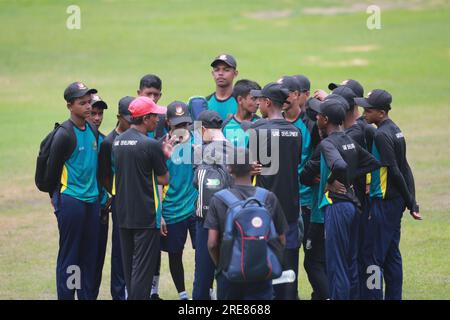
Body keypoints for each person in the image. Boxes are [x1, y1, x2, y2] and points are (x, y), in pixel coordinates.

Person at [302, 99, 380, 300]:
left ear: (325, 120)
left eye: (319, 115)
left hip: (337, 206)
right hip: (353, 206)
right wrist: (350, 178)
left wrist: (331, 181)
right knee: (350, 262)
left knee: (336, 266)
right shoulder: (348, 140)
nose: (316, 117)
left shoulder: (328, 143)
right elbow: (372, 162)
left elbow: (340, 166)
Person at [356, 89, 422, 300]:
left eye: (369, 109)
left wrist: (410, 201)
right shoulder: (395, 130)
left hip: (383, 203)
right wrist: (410, 201)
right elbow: (406, 168)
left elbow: (395, 170)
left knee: (372, 257)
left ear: (381, 113)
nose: (364, 112)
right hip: (394, 203)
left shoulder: (381, 135)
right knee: (392, 255)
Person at [205, 148, 288, 300]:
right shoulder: (268, 198)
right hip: (262, 272)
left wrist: (222, 266)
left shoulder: (218, 199)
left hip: (229, 273)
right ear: (252, 167)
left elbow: (212, 243)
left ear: (229, 168)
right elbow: (282, 239)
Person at [113, 96, 172, 300]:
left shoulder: (117, 142)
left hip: (123, 214)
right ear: (146, 118)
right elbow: (164, 178)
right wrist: (165, 156)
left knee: (130, 267)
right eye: (155, 116)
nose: (158, 120)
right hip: (146, 216)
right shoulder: (151, 145)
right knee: (143, 271)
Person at [47, 82, 100, 300]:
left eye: (89, 102)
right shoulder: (64, 134)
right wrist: (56, 198)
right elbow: (51, 173)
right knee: (71, 255)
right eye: (82, 103)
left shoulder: (93, 130)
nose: (88, 107)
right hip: (72, 201)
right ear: (70, 106)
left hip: (92, 200)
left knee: (89, 256)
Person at [249, 82, 302, 300]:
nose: (258, 103)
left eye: (260, 100)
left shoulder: (258, 131)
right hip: (289, 208)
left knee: (263, 263)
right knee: (288, 266)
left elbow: (252, 167)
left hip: (264, 209)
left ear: (268, 102)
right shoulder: (296, 132)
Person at [192, 110, 234, 300]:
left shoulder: (203, 152)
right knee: (228, 271)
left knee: (203, 274)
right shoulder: (236, 150)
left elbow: (197, 183)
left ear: (203, 129)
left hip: (206, 221)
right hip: (233, 220)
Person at [159, 101, 198, 300]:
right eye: (177, 125)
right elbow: (156, 183)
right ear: (168, 123)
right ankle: (183, 295)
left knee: (204, 251)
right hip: (172, 210)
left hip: (196, 208)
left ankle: (205, 291)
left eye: (184, 124)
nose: (181, 129)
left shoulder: (198, 142)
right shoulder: (161, 147)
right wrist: (160, 215)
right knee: (175, 254)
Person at [97, 96, 133, 300]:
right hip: (119, 200)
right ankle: (119, 294)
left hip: (134, 199)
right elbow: (103, 174)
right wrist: (112, 193)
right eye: (129, 118)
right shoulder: (109, 142)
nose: (133, 121)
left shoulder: (136, 137)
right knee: (119, 249)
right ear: (119, 117)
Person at [89, 94, 113, 300]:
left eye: (100, 114)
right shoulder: (69, 136)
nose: (97, 118)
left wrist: (110, 197)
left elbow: (109, 176)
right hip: (81, 208)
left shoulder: (105, 142)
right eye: (93, 113)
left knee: (97, 259)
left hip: (101, 210)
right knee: (80, 258)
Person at [222, 79, 261, 147]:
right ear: (240, 100)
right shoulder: (225, 127)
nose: (258, 102)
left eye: (259, 99)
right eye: (254, 99)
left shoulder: (260, 124)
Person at [206, 54, 239, 120]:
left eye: (226, 70)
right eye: (217, 70)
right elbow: (197, 130)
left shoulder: (241, 103)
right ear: (213, 74)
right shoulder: (205, 103)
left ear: (235, 74)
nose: (220, 73)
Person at [137, 74, 167, 141]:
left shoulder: (164, 117)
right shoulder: (129, 115)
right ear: (139, 93)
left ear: (160, 95)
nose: (152, 98)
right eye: (148, 94)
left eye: (156, 94)